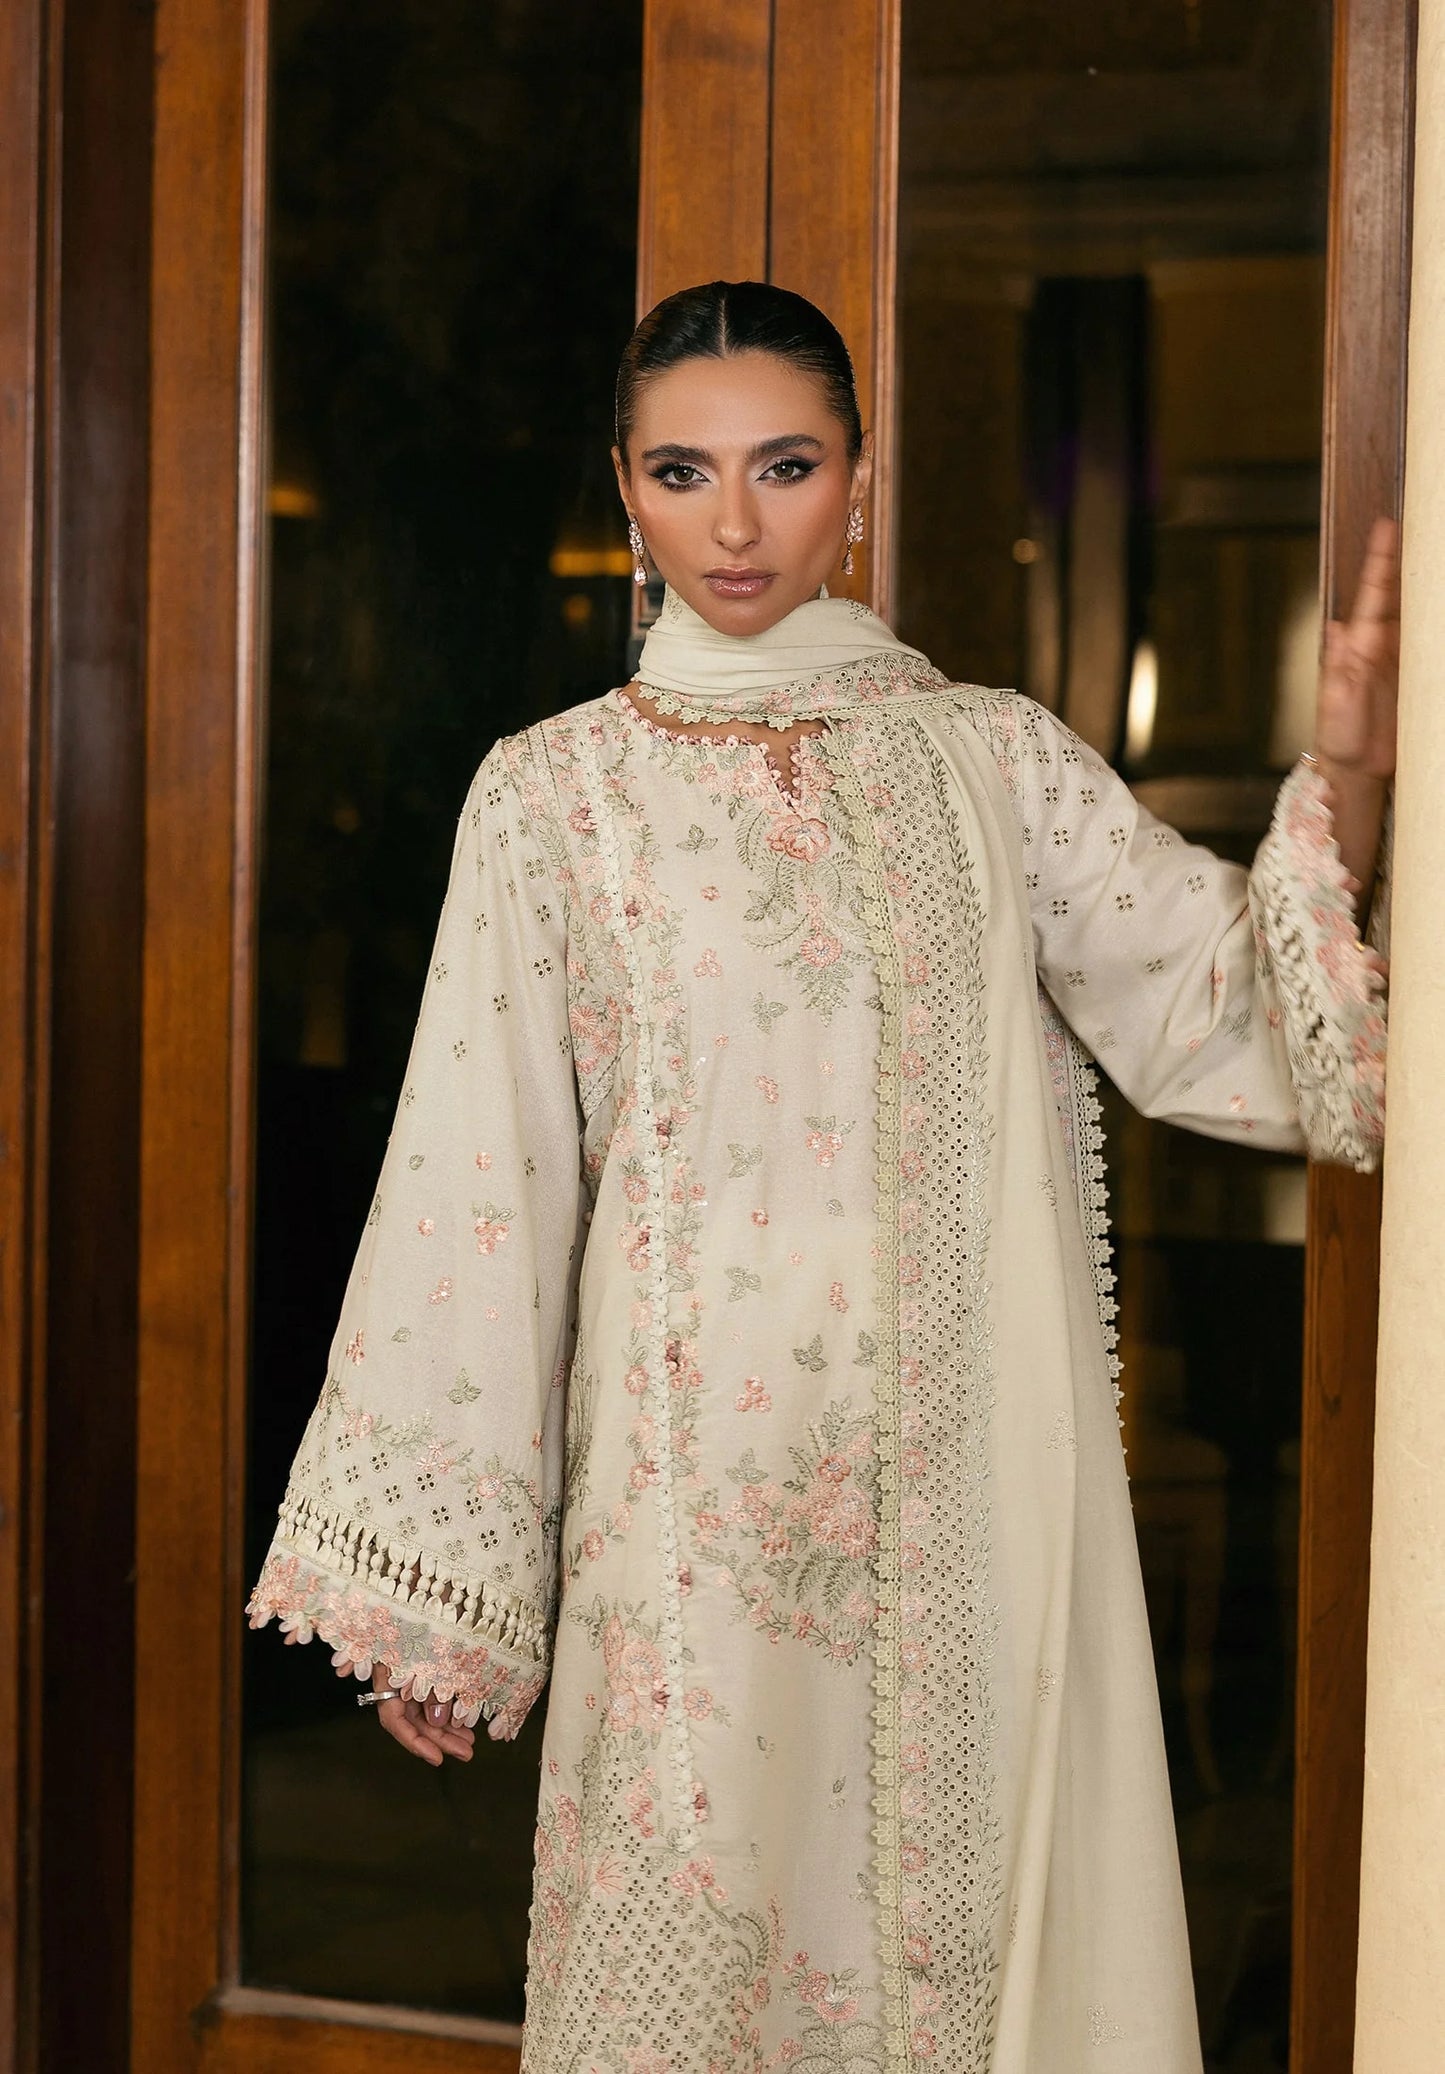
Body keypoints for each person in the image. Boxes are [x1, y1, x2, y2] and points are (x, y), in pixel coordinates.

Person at [248, 281, 1396, 2072]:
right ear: (622, 490)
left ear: (855, 481)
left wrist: (1343, 775)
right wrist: (443, 1576)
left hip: (975, 1502)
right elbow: (482, 1166)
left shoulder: (989, 761)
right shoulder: (553, 797)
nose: (732, 520)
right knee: (704, 1953)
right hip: (688, 1517)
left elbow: (1224, 1011)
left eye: (783, 465)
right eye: (681, 470)